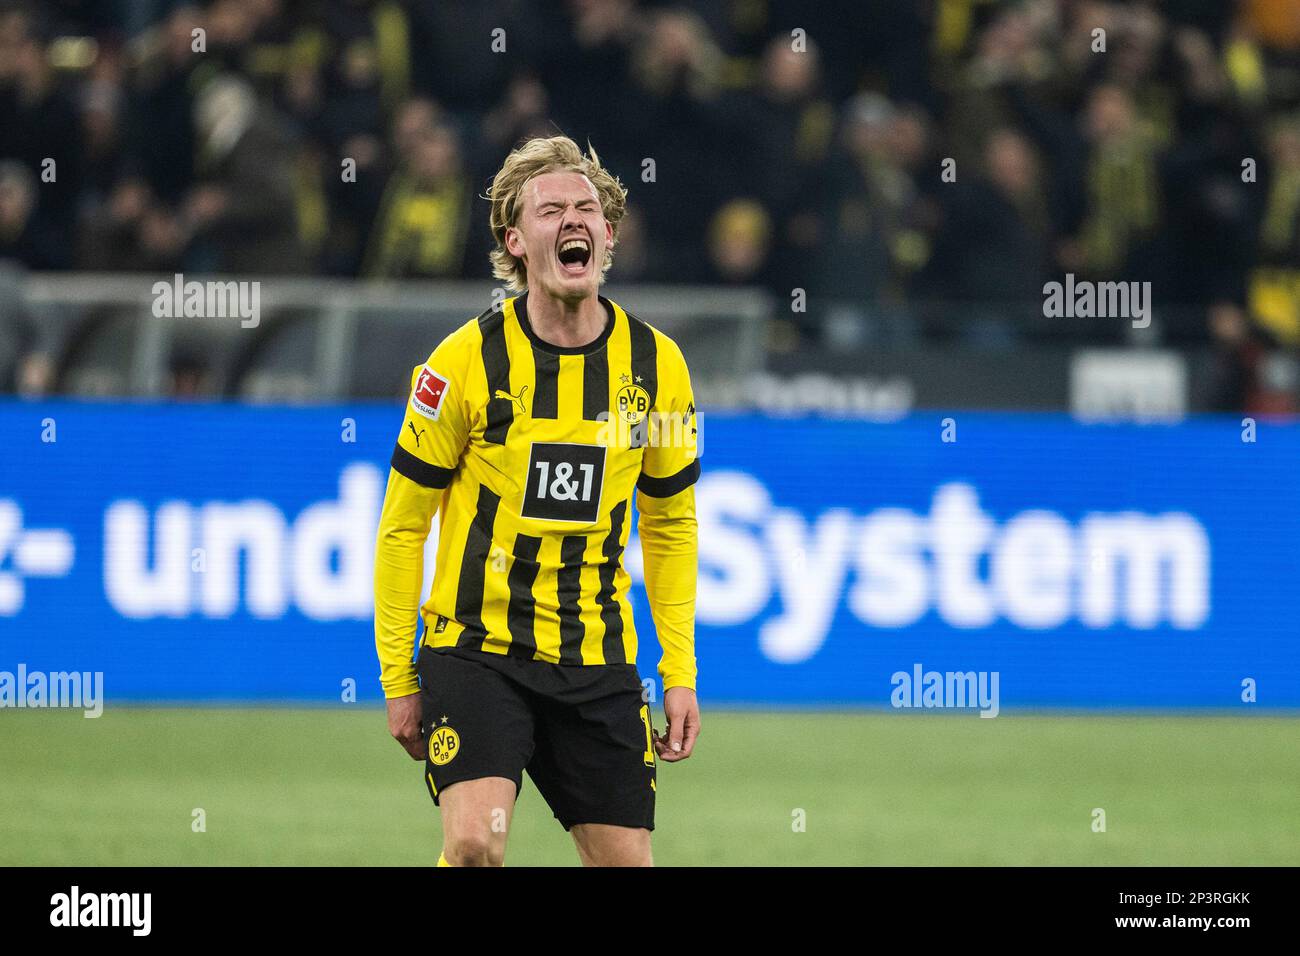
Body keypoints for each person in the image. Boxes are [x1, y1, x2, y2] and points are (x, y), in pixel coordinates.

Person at [373, 135, 701, 866]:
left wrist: (679, 673)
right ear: (516, 241)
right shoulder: (459, 364)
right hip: (477, 649)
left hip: (597, 657)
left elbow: (672, 525)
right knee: (472, 846)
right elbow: (401, 528)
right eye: (550, 209)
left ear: (607, 236)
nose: (573, 219)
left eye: (587, 208)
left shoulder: (660, 367)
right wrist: (399, 675)